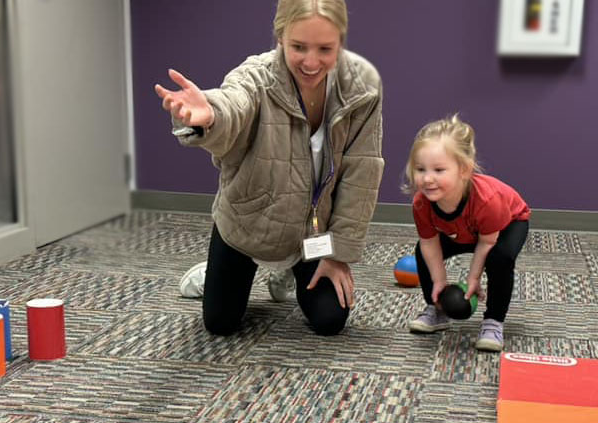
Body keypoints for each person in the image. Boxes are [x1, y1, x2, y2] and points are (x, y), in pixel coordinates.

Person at [154, 0, 383, 336]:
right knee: (220, 324)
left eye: (325, 48)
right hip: (248, 224)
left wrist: (339, 255)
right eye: (298, 47)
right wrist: (210, 116)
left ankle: (287, 269)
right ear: (280, 38)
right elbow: (233, 103)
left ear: (341, 41)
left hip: (311, 233)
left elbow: (362, 173)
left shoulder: (363, 88)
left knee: (330, 320)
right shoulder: (254, 76)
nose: (311, 61)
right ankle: (212, 271)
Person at [404, 115, 530, 352]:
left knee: (499, 259)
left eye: (439, 170)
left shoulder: (487, 200)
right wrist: (440, 282)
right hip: (462, 230)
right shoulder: (421, 203)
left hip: (507, 224)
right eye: (420, 169)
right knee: (422, 252)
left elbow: (486, 243)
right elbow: (429, 243)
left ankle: (493, 321)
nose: (427, 178)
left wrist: (473, 279)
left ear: (464, 170)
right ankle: (436, 311)